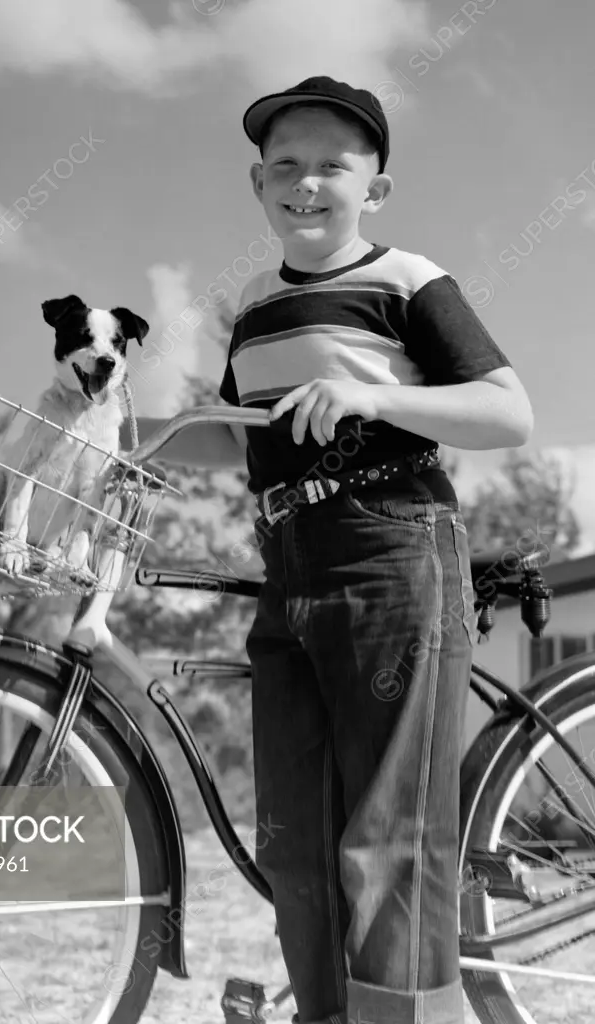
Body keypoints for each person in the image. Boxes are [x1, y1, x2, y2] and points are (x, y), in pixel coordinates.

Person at [125, 76, 533, 1024]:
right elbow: (236, 436)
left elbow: (507, 412)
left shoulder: (409, 282)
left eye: (332, 168)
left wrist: (373, 397)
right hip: (291, 561)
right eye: (286, 167)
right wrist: (119, 441)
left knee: (389, 838)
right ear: (258, 184)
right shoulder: (256, 305)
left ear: (375, 188)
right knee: (297, 848)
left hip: (393, 551)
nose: (307, 185)